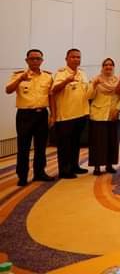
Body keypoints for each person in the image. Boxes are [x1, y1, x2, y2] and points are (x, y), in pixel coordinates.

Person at [4, 49, 54, 186]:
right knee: (23, 147)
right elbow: (8, 90)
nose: (35, 61)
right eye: (32, 59)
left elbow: (51, 97)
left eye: (38, 59)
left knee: (41, 147)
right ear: (27, 60)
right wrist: (20, 79)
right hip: (24, 115)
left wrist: (53, 115)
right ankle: (22, 176)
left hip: (42, 115)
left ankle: (40, 173)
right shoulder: (18, 75)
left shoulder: (48, 76)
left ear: (42, 61)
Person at [51, 48, 90, 179]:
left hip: (81, 114)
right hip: (66, 116)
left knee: (75, 143)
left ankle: (74, 166)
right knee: (64, 145)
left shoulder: (82, 73)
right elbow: (54, 90)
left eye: (78, 57)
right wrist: (66, 81)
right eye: (73, 57)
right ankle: (64, 170)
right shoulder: (61, 73)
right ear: (66, 59)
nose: (76, 59)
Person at [87, 58, 120, 176]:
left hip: (112, 115)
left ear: (113, 67)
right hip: (98, 115)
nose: (108, 67)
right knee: (98, 143)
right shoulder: (96, 79)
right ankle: (97, 166)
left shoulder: (117, 80)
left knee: (112, 141)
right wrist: (94, 85)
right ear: (102, 67)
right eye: (106, 65)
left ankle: (109, 165)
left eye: (111, 65)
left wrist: (118, 109)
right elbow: (89, 96)